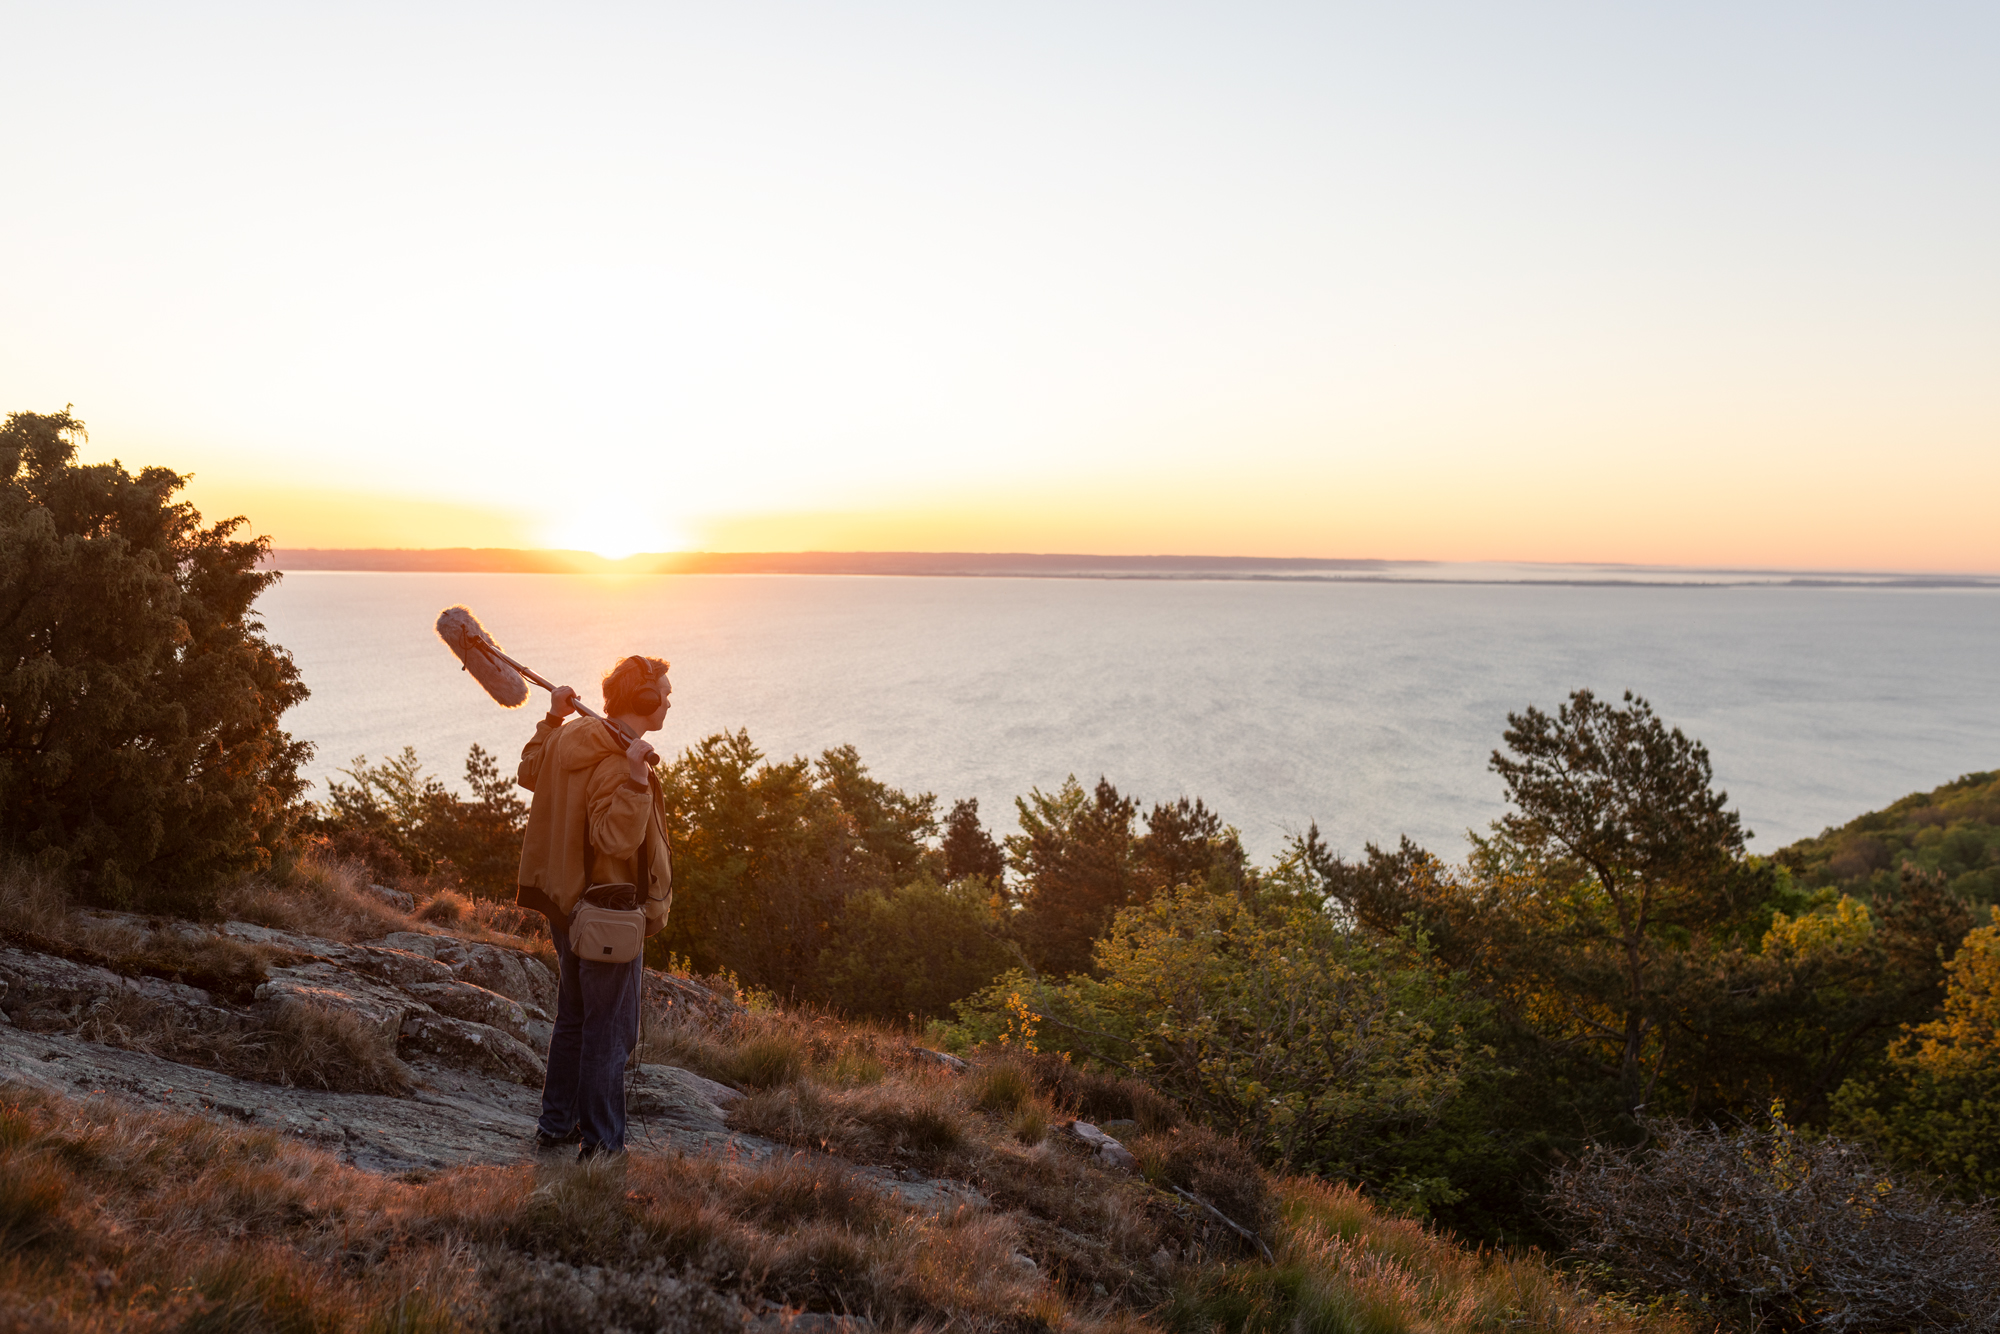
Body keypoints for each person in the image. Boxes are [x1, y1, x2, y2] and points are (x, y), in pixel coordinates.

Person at [514, 654, 674, 1158]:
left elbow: (529, 770)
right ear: (643, 701)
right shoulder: (614, 759)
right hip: (606, 910)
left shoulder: (568, 738)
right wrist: (635, 779)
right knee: (609, 1032)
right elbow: (615, 841)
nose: (668, 700)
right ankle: (603, 1144)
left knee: (575, 1018)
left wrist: (553, 717)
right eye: (663, 694)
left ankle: (556, 1123)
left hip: (567, 901)